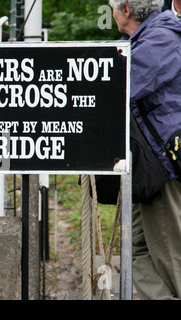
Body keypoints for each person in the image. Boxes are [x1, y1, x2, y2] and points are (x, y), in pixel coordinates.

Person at [109, 0, 181, 299]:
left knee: (168, 253)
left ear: (125, 10)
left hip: (164, 166)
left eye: (111, 8)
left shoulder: (161, 39)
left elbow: (118, 86)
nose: (110, 15)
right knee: (137, 246)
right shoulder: (139, 40)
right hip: (147, 167)